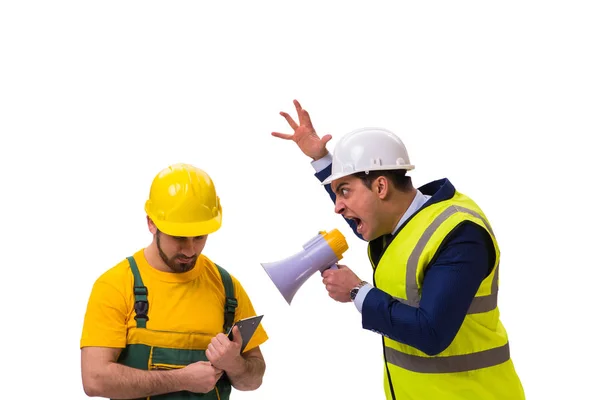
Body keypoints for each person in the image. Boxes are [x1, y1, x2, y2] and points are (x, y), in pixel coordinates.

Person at [271, 100, 525, 400]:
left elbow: (432, 334)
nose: (338, 207)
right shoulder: (395, 225)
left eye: (345, 191)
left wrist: (357, 291)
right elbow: (361, 217)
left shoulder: (459, 234)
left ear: (381, 187)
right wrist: (321, 159)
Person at [80, 163, 268, 400]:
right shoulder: (116, 285)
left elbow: (254, 379)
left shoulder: (228, 288)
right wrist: (181, 379)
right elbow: (95, 380)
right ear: (152, 223)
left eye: (199, 237)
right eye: (179, 237)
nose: (190, 250)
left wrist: (235, 364)